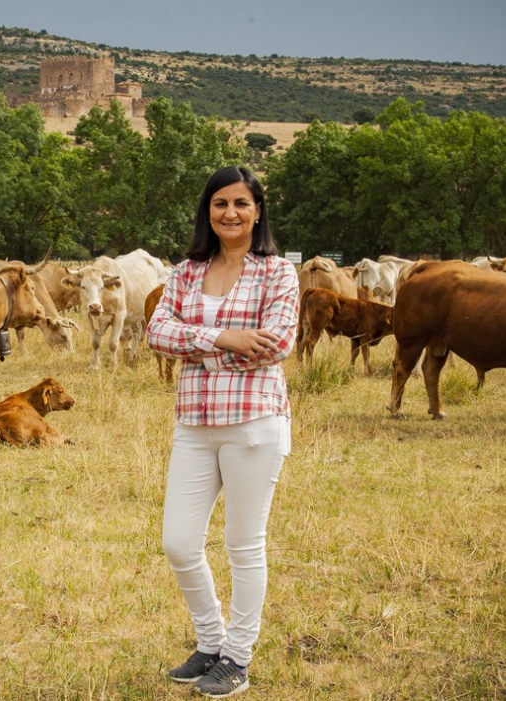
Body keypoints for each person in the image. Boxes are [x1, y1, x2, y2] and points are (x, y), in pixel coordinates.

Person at [146, 165, 299, 698]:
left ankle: (237, 657)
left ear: (258, 211)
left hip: (253, 423)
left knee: (243, 545)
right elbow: (156, 332)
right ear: (207, 212)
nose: (230, 213)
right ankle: (210, 640)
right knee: (179, 542)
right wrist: (227, 338)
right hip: (194, 422)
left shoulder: (277, 273)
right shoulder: (187, 271)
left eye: (241, 204)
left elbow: (276, 344)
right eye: (220, 204)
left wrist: (199, 347)